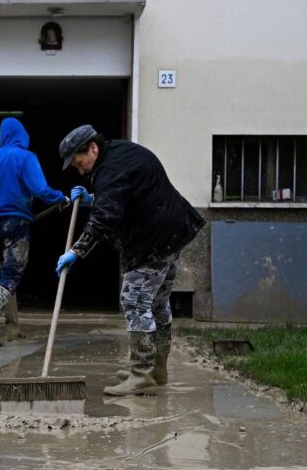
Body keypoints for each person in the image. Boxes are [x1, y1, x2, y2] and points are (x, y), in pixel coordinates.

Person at [55, 125, 205, 396]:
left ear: (93, 148)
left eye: (80, 164)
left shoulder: (109, 169)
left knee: (134, 300)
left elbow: (106, 217)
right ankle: (157, 366)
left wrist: (76, 251)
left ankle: (142, 372)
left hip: (154, 240)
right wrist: (92, 199)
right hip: (173, 231)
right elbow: (123, 196)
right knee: (157, 301)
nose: (81, 171)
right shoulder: (119, 152)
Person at [0, 117, 68, 346]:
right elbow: (40, 189)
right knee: (12, 275)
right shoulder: (25, 158)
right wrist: (60, 198)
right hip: (16, 223)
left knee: (5, 275)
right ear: (22, 135)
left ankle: (13, 329)